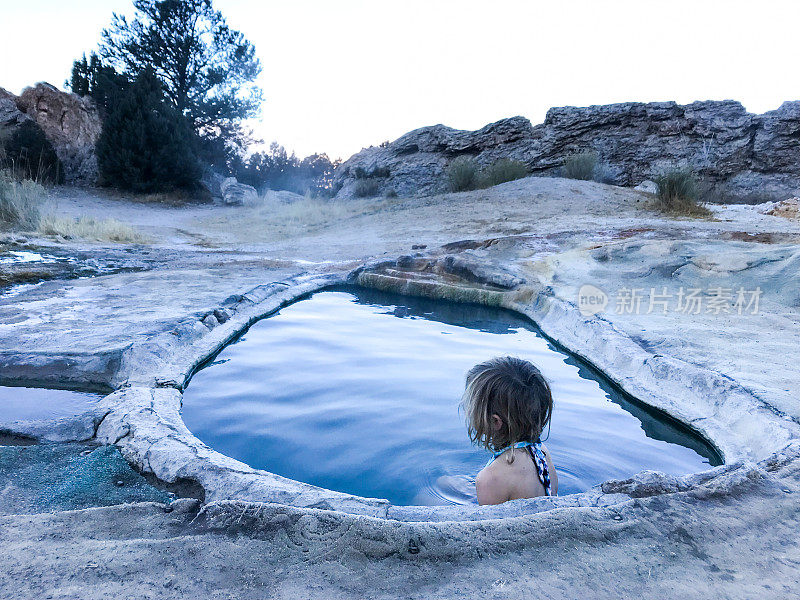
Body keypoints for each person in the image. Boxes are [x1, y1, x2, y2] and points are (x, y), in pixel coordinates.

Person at [462, 356, 558, 505]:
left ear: (495, 421)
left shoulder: (490, 478)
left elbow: (489, 526)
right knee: (448, 483)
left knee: (428, 494)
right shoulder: (541, 453)